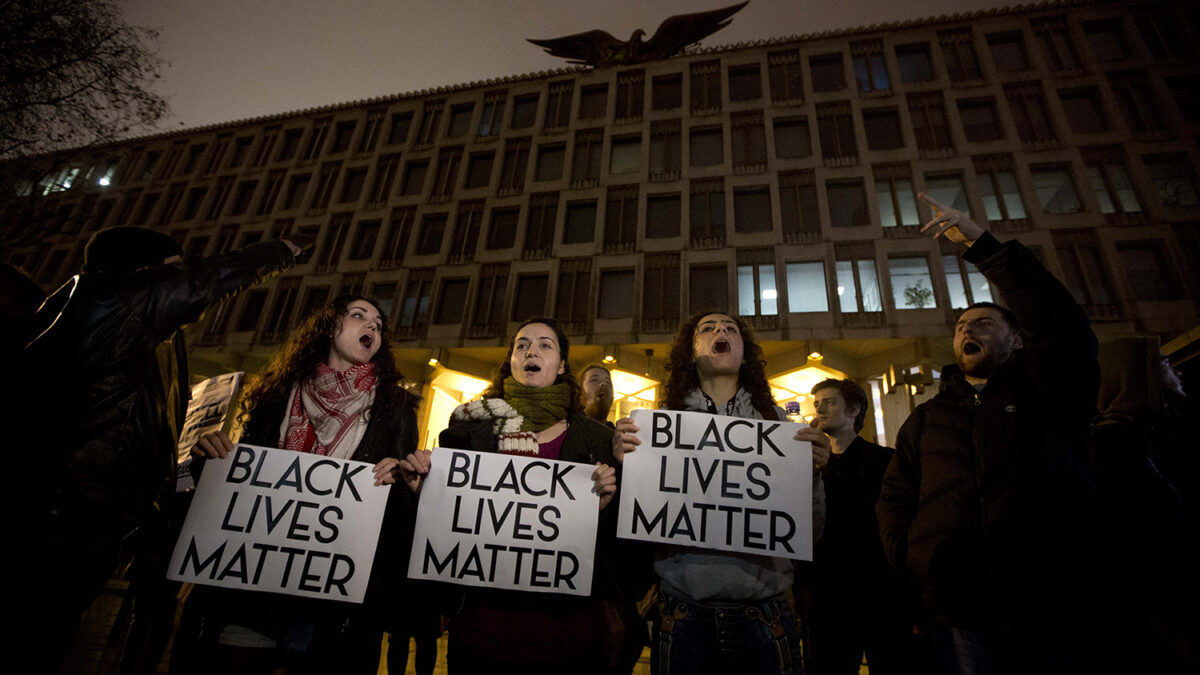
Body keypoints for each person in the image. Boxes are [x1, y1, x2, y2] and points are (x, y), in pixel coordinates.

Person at [17, 227, 301, 669]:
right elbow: (204, 279)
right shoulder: (110, 298)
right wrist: (281, 250)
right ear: (141, 271)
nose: (177, 281)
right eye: (170, 271)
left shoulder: (123, 329)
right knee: (35, 632)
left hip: (91, 510)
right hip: (65, 513)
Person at [875, 193, 1099, 674]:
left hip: (1049, 603)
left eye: (982, 323)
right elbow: (896, 496)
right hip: (955, 611)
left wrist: (985, 247)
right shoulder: (927, 419)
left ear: (1016, 338)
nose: (967, 330)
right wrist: (915, 557)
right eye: (960, 326)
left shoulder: (1048, 395)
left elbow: (1061, 327)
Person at [181, 296, 423, 674]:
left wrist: (403, 480)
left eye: (379, 323)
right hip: (252, 593)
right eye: (358, 316)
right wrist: (209, 462)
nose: (372, 326)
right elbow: (238, 486)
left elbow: (401, 516)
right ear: (328, 327)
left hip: (333, 605)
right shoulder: (277, 396)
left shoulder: (395, 408)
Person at [406, 317, 641, 674]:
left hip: (571, 637)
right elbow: (447, 523)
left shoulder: (597, 440)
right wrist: (424, 492)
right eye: (522, 345)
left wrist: (605, 506)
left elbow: (620, 546)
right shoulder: (466, 432)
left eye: (546, 345)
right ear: (512, 362)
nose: (532, 351)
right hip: (479, 635)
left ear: (562, 365)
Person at [613, 311, 830, 675]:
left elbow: (812, 530)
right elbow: (637, 525)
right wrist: (627, 466)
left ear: (744, 353)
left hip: (765, 619)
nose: (721, 331)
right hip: (681, 618)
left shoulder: (781, 429)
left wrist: (811, 479)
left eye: (731, 328)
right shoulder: (656, 429)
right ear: (691, 350)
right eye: (708, 328)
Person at [1092, 337, 1198, 673]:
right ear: (1136, 374)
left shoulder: (1152, 433)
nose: (1176, 370)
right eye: (1164, 363)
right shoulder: (1117, 445)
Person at [805, 378, 907, 675]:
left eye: (830, 402)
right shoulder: (805, 465)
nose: (820, 408)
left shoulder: (884, 460)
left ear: (854, 411)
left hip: (878, 593)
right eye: (817, 403)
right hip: (828, 593)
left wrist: (828, 469)